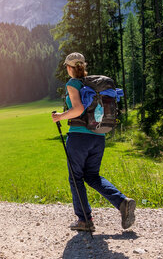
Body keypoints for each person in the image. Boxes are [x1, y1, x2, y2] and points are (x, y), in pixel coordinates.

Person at [51, 52, 135, 232]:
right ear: (83, 66)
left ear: (69, 67)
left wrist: (60, 117)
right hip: (98, 137)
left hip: (79, 137)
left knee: (76, 178)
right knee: (92, 176)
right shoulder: (93, 84)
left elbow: (78, 109)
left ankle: (84, 220)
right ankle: (122, 202)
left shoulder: (73, 84)